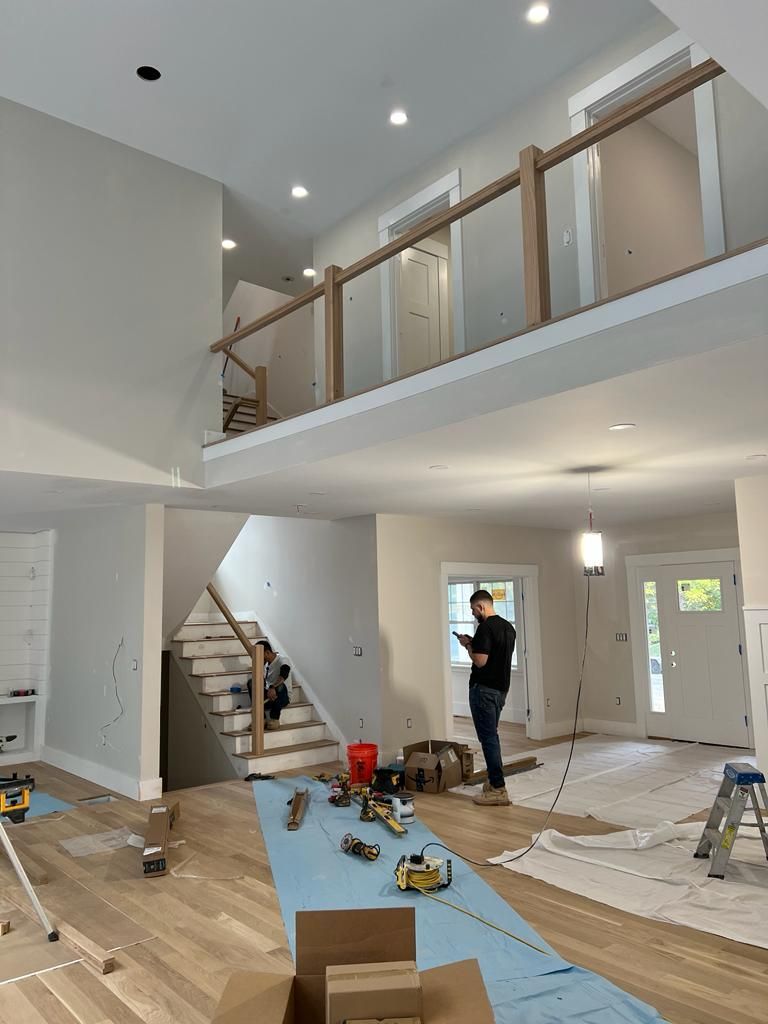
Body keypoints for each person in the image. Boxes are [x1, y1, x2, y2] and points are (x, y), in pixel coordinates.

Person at [457, 590, 516, 806]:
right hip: (501, 689)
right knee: (492, 736)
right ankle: (493, 782)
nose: (473, 614)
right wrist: (475, 642)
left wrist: (468, 645)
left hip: (484, 690)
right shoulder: (508, 628)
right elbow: (495, 654)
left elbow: (481, 661)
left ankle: (498, 789)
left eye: (473, 610)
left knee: (488, 738)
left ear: (481, 607)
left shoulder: (485, 627)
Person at [247, 640, 291, 731]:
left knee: (280, 686)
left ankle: (274, 718)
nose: (259, 658)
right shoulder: (265, 664)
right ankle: (261, 718)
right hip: (269, 697)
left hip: (282, 696)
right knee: (251, 683)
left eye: (260, 655)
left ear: (267, 652)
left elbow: (284, 674)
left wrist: (273, 687)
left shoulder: (283, 659)